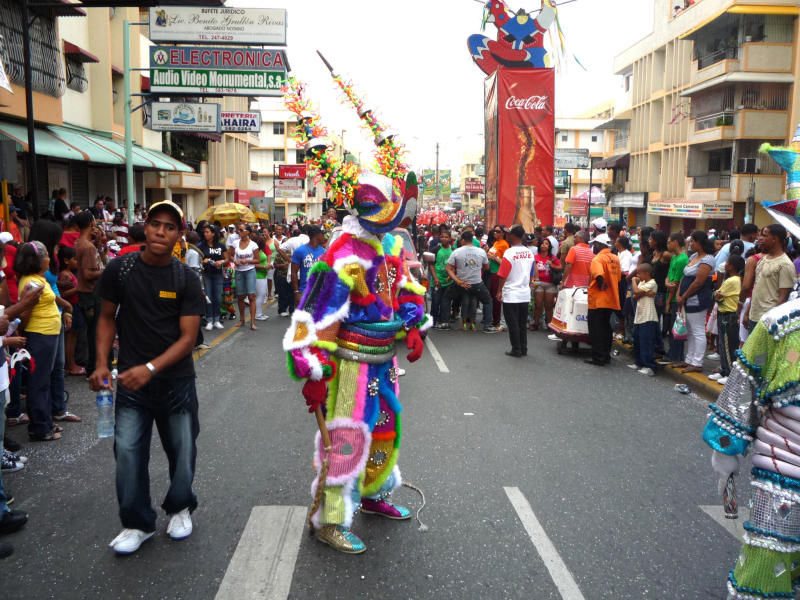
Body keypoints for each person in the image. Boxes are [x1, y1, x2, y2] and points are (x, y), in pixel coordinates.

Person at [89, 200, 204, 555]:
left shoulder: (186, 278)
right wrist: (102, 363)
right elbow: (106, 316)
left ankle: (180, 507)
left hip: (176, 382)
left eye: (170, 227)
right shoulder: (121, 269)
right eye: (156, 224)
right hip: (130, 382)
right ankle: (137, 523)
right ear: (146, 226)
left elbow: (188, 338)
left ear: (178, 235)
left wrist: (151, 368)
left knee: (182, 449)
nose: (160, 231)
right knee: (126, 451)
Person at [701, 293, 800, 599]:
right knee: (769, 561)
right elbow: (742, 391)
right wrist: (726, 454)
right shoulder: (780, 325)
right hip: (785, 473)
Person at [15, 241, 73, 441]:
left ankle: (45, 422)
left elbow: (53, 300)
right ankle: (40, 428)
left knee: (43, 380)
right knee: (38, 382)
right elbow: (24, 313)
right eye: (47, 255)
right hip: (40, 335)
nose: (50, 258)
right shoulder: (31, 283)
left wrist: (66, 307)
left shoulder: (37, 279)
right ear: (37, 260)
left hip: (48, 334)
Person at [675, 231, 715, 373]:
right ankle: (689, 359)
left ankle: (697, 362)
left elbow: (698, 282)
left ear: (700, 242)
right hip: (687, 298)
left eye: (692, 241)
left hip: (697, 299)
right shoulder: (693, 256)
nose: (690, 244)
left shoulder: (708, 259)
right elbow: (684, 276)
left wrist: (684, 296)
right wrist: (679, 295)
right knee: (690, 330)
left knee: (698, 330)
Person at [744, 224, 795, 333]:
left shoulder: (785, 264)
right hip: (754, 316)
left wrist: (771, 321)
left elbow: (783, 298)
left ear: (774, 239)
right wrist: (747, 312)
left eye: (764, 235)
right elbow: (757, 287)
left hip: (768, 321)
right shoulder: (763, 259)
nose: (760, 238)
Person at [495, 225, 535, 357]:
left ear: (514, 235)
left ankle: (516, 349)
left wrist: (499, 291)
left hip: (511, 293)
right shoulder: (529, 252)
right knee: (522, 323)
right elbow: (532, 271)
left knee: (512, 323)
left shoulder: (510, 253)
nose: (507, 235)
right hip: (524, 293)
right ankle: (524, 348)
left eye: (509, 233)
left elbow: (503, 274)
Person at [585, 234, 621, 366]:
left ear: (600, 245)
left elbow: (598, 274)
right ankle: (605, 356)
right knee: (606, 329)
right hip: (611, 299)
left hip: (598, 300)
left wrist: (601, 284)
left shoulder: (597, 259)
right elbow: (618, 279)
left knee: (596, 330)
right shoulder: (615, 258)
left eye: (595, 244)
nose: (593, 247)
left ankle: (598, 357)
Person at [709, 253, 744, 386]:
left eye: (728, 262)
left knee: (728, 345)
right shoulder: (733, 279)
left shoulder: (732, 281)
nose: (725, 264)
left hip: (729, 314)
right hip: (724, 313)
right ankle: (724, 370)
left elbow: (717, 295)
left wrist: (716, 295)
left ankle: (729, 372)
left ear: (732, 266)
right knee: (722, 344)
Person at [445, 231, 490, 331]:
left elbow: (448, 268)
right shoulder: (481, 251)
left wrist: (458, 281)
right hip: (477, 283)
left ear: (463, 240)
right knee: (485, 301)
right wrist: (477, 269)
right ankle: (484, 324)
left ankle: (452, 322)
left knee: (447, 298)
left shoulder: (457, 251)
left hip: (461, 283)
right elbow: (487, 267)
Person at [661, 232, 689, 366]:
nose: (668, 244)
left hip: (674, 298)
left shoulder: (683, 259)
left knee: (676, 329)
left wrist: (667, 303)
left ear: (676, 242)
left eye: (669, 242)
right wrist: (667, 283)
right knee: (672, 328)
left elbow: (676, 283)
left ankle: (676, 355)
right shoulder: (673, 258)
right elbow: (669, 277)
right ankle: (673, 353)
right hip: (669, 293)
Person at [628, 262, 657, 376]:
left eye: (639, 273)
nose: (638, 276)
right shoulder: (643, 283)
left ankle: (649, 366)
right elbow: (635, 296)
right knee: (638, 340)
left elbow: (636, 291)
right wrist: (643, 293)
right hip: (639, 316)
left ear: (647, 273)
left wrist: (634, 282)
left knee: (646, 342)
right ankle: (639, 362)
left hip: (648, 316)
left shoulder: (652, 282)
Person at [198, 224, 226, 331]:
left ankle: (217, 319)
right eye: (204, 232)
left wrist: (221, 261)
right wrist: (203, 261)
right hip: (207, 275)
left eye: (207, 232)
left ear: (213, 233)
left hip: (218, 274)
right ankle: (209, 319)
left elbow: (227, 258)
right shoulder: (201, 246)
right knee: (208, 297)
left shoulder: (220, 246)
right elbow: (197, 260)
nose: (205, 234)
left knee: (218, 297)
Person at [531, 237, 561, 330]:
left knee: (549, 306)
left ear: (549, 247)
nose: (544, 245)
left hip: (550, 283)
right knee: (538, 305)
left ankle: (549, 324)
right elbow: (531, 270)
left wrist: (552, 265)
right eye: (542, 243)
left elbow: (560, 267)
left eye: (546, 244)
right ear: (539, 245)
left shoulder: (553, 257)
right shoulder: (535, 257)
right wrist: (532, 280)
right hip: (539, 282)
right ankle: (536, 323)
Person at [233, 225, 259, 330]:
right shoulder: (235, 243)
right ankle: (242, 319)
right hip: (239, 272)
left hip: (250, 271)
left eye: (241, 230)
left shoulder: (253, 245)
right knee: (240, 296)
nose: (239, 231)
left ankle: (252, 322)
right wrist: (234, 261)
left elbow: (257, 260)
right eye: (238, 230)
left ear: (247, 232)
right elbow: (229, 255)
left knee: (251, 296)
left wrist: (247, 261)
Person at [430, 230, 454, 329]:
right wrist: (435, 278)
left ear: (450, 238)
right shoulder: (436, 249)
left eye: (446, 237)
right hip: (437, 281)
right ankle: (433, 321)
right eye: (442, 237)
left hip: (448, 282)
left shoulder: (453, 249)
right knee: (436, 302)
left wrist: (450, 275)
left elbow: (454, 264)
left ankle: (444, 321)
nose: (444, 238)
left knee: (446, 303)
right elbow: (431, 265)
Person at [487, 226, 509, 330]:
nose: (495, 233)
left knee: (497, 298)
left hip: (498, 273)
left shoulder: (504, 244)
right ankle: (495, 320)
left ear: (503, 233)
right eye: (495, 231)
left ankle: (497, 322)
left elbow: (505, 262)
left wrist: (494, 258)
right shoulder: (496, 243)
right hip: (492, 272)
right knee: (493, 297)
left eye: (498, 231)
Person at [254, 236, 271, 321]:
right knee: (260, 295)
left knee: (262, 295)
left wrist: (267, 266)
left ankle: (260, 313)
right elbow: (253, 265)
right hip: (259, 276)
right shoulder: (256, 253)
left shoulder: (259, 251)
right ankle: (258, 314)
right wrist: (264, 267)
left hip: (262, 276)